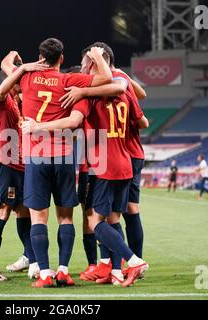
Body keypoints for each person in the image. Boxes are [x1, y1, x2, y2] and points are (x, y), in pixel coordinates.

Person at [22, 42, 148, 287]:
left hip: (102, 164)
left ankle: (133, 260)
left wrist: (81, 92)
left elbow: (74, 120)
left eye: (84, 63)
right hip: (126, 159)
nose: (81, 68)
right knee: (116, 218)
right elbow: (141, 119)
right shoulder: (121, 90)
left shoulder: (91, 92)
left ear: (94, 61)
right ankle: (115, 271)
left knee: (93, 221)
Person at [4, 38, 113, 288]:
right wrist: (96, 55)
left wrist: (21, 64)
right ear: (62, 58)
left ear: (40, 57)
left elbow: (5, 67)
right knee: (66, 219)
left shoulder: (27, 79)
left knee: (38, 219)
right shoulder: (69, 81)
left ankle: (44, 275)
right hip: (64, 157)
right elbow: (107, 78)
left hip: (36, 157)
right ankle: (63, 271)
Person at [0, 56, 48, 282]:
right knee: (3, 211)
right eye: (21, 81)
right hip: (4, 163)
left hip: (20, 163)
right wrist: (18, 62)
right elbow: (6, 63)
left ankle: (31, 258)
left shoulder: (18, 103)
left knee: (23, 210)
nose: (25, 85)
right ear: (13, 80)